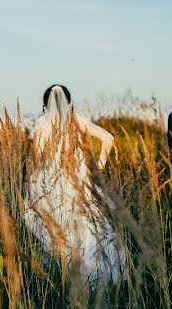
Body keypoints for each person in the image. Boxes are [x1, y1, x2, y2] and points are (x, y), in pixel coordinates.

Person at [23, 85, 124, 283]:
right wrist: (99, 166)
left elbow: (38, 156)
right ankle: (94, 277)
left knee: (56, 226)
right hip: (80, 178)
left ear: (46, 103)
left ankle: (63, 274)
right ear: (68, 101)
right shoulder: (77, 120)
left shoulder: (42, 123)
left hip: (53, 180)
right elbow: (109, 138)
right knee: (89, 225)